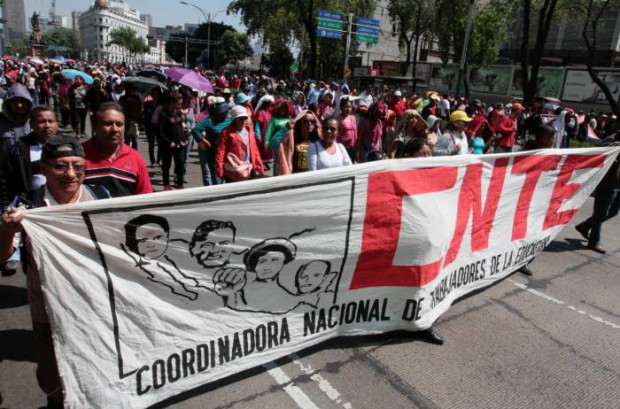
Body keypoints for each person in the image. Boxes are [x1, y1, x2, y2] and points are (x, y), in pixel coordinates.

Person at [0, 135, 110, 408]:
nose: (70, 174)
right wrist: (6, 230)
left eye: (77, 166)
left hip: (96, 308)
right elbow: (3, 256)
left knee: (100, 372)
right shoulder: (26, 207)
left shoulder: (102, 198)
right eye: (60, 166)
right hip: (48, 312)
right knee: (53, 380)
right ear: (44, 168)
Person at [83, 102, 153, 197]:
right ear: (95, 125)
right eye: (108, 124)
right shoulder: (80, 156)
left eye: (119, 124)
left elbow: (146, 198)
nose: (114, 129)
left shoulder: (135, 158)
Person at [0, 83, 33, 275]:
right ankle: (8, 254)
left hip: (28, 175)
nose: (19, 106)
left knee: (25, 214)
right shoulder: (1, 123)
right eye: (15, 102)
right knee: (6, 212)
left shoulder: (33, 122)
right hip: (4, 175)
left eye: (23, 102)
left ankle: (20, 254)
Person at [575, 132, 620, 254]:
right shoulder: (612, 140)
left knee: (614, 211)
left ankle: (585, 225)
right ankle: (594, 241)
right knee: (601, 212)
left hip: (618, 183)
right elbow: (603, 147)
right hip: (607, 182)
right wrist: (615, 146)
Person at [216, 105, 264, 182]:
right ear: (234, 119)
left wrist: (259, 166)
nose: (243, 121)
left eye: (245, 118)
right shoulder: (226, 132)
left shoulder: (249, 131)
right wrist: (219, 168)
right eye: (240, 119)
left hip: (248, 170)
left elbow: (254, 150)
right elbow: (221, 151)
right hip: (232, 171)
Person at [192, 102, 232, 186]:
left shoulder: (229, 120)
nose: (226, 113)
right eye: (224, 112)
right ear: (218, 113)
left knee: (228, 178)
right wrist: (204, 141)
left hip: (227, 154)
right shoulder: (209, 120)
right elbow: (195, 130)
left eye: (226, 111)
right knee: (217, 179)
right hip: (213, 154)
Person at [157, 93, 188, 190]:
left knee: (180, 163)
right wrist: (169, 142)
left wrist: (183, 140)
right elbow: (160, 132)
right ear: (171, 102)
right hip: (168, 145)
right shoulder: (163, 114)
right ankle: (166, 184)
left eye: (180, 104)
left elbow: (179, 128)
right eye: (178, 104)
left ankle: (180, 183)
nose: (179, 106)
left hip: (179, 143)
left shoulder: (178, 112)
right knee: (166, 165)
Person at [278, 110, 322, 175]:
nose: (309, 123)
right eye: (305, 121)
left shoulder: (316, 140)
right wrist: (285, 128)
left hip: (313, 176)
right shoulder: (292, 138)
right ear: (300, 123)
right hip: (297, 176)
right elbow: (273, 142)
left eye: (312, 121)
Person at [118, 84, 143, 150]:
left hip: (135, 120)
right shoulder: (123, 98)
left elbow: (140, 108)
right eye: (131, 90)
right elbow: (119, 108)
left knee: (134, 139)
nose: (133, 91)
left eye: (134, 90)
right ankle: (126, 151)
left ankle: (134, 153)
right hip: (126, 119)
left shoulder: (137, 98)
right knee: (127, 138)